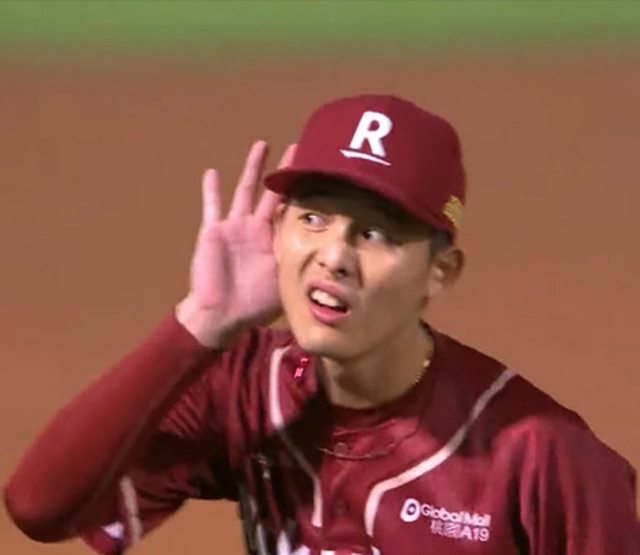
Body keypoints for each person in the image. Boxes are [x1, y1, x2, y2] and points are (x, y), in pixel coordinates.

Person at [4, 94, 638, 555]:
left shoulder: (539, 453)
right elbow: (39, 508)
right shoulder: (246, 388)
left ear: (439, 271)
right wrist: (199, 323)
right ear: (277, 230)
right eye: (313, 219)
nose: (333, 256)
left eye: (373, 233)